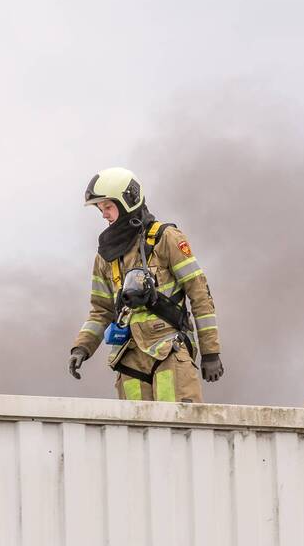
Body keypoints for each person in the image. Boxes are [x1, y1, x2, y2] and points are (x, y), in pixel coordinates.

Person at [67, 167, 223, 402]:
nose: (104, 215)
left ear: (127, 201)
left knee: (177, 422)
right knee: (136, 426)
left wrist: (211, 352)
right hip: (129, 360)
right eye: (100, 209)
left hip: (170, 352)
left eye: (108, 207)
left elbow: (199, 293)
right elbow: (101, 310)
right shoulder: (105, 256)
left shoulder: (166, 238)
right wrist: (82, 348)